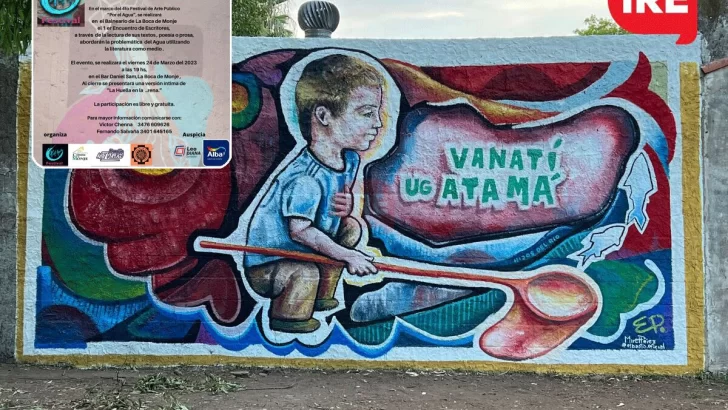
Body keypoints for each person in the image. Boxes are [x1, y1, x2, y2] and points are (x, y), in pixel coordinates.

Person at [243, 54, 384, 333]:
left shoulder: (350, 161)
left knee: (352, 228)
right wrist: (348, 256)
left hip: (306, 250)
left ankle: (322, 296)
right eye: (367, 113)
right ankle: (291, 318)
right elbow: (300, 231)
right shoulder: (304, 178)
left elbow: (332, 216)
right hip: (270, 262)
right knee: (304, 274)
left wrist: (346, 210)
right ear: (323, 116)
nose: (378, 123)